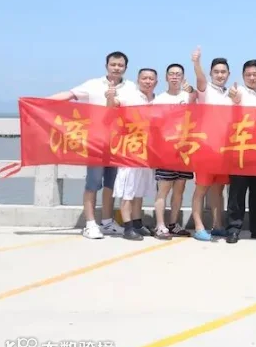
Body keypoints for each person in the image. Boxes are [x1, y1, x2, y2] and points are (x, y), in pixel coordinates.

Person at [47, 51, 136, 239]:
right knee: (93, 183)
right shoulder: (93, 85)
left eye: (120, 65)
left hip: (119, 144)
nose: (116, 68)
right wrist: (41, 102)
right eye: (113, 64)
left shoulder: (131, 88)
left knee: (112, 184)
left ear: (126, 68)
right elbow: (70, 94)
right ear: (106, 66)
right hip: (96, 142)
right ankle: (90, 223)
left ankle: (107, 222)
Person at [226, 59, 256, 244]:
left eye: (255, 74)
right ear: (243, 76)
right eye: (248, 75)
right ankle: (233, 229)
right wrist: (234, 100)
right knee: (237, 192)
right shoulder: (235, 92)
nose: (252, 78)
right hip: (239, 149)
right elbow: (225, 114)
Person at [191, 47, 235, 242]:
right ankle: (199, 226)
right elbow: (200, 79)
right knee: (201, 188)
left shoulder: (231, 94)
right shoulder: (205, 89)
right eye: (216, 72)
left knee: (219, 189)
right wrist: (196, 63)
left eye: (223, 72)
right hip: (206, 148)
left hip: (224, 150)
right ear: (211, 73)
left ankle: (218, 225)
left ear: (228, 74)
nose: (220, 75)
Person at [112, 68, 158, 241]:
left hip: (147, 153)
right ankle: (128, 227)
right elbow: (112, 106)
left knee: (140, 189)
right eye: (144, 78)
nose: (148, 81)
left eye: (151, 79)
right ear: (138, 80)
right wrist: (110, 96)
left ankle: (138, 223)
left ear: (156, 82)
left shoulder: (157, 101)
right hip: (129, 151)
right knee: (128, 190)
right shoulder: (129, 96)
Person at [152, 63, 197, 239]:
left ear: (183, 77)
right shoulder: (159, 99)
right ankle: (160, 225)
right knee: (163, 189)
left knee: (179, 190)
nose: (175, 77)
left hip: (184, 151)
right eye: (171, 74)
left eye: (178, 74)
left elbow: (197, 97)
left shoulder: (187, 96)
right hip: (166, 151)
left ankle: (173, 224)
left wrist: (191, 90)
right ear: (166, 77)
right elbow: (154, 125)